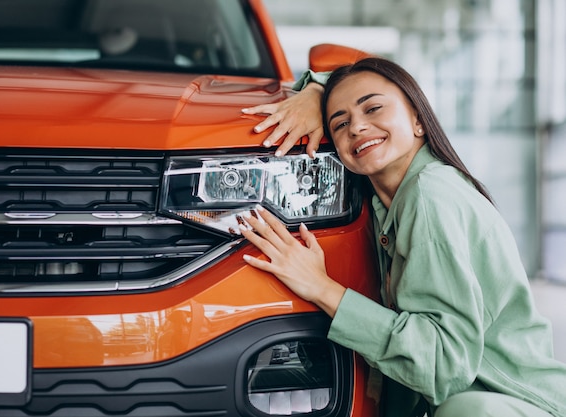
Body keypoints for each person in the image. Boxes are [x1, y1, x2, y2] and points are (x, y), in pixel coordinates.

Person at [238, 56, 566, 417]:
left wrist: (321, 287)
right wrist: (316, 90)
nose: (357, 128)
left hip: (522, 405)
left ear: (418, 120)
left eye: (373, 108)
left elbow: (444, 369)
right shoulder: (388, 207)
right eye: (340, 122)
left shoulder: (429, 195)